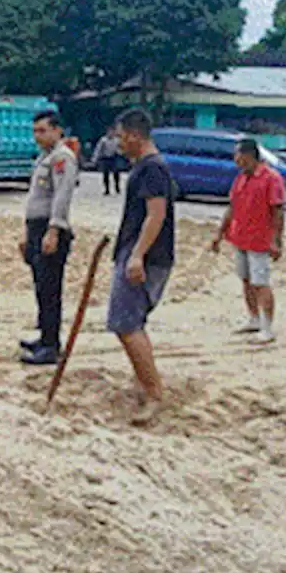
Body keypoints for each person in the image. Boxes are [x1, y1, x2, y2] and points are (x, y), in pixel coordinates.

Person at [109, 109, 174, 424]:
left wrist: (136, 255)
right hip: (138, 253)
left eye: (121, 136)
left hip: (146, 257)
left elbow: (156, 215)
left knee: (126, 324)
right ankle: (144, 380)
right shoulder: (145, 168)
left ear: (135, 135)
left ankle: (153, 393)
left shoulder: (152, 170)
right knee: (131, 322)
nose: (119, 143)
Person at [211, 138, 286, 345]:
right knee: (246, 280)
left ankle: (267, 328)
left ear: (249, 156)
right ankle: (254, 319)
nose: (235, 160)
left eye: (238, 155)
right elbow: (232, 207)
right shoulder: (241, 179)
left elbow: (278, 211)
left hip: (260, 240)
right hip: (241, 237)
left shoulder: (271, 178)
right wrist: (220, 233)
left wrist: (276, 241)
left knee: (260, 283)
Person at [18, 110, 78, 365]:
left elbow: (62, 197)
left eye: (42, 130)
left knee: (50, 287)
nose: (37, 136)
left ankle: (51, 346)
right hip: (36, 228)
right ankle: (44, 337)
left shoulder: (63, 158)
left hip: (49, 229)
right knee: (40, 286)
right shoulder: (45, 157)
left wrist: (54, 230)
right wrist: (26, 234)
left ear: (57, 130)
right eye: (35, 131)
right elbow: (35, 199)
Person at [92, 128, 122, 195]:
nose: (111, 134)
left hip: (113, 158)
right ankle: (107, 189)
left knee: (116, 174)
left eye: (112, 132)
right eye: (109, 132)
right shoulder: (103, 140)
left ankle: (117, 187)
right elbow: (98, 149)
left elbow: (120, 148)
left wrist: (121, 153)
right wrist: (95, 158)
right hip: (105, 158)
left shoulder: (116, 140)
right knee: (106, 175)